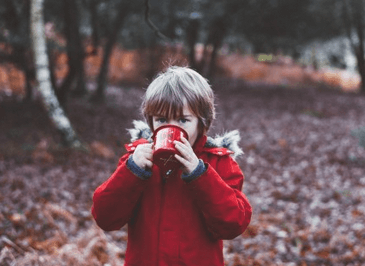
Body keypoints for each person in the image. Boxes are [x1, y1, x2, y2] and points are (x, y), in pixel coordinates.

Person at [91, 66, 252, 266]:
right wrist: (132, 170)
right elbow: (105, 217)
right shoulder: (137, 160)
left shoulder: (219, 163)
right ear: (150, 122)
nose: (171, 127)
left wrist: (200, 174)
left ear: (202, 123)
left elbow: (233, 224)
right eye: (161, 119)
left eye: (183, 120)